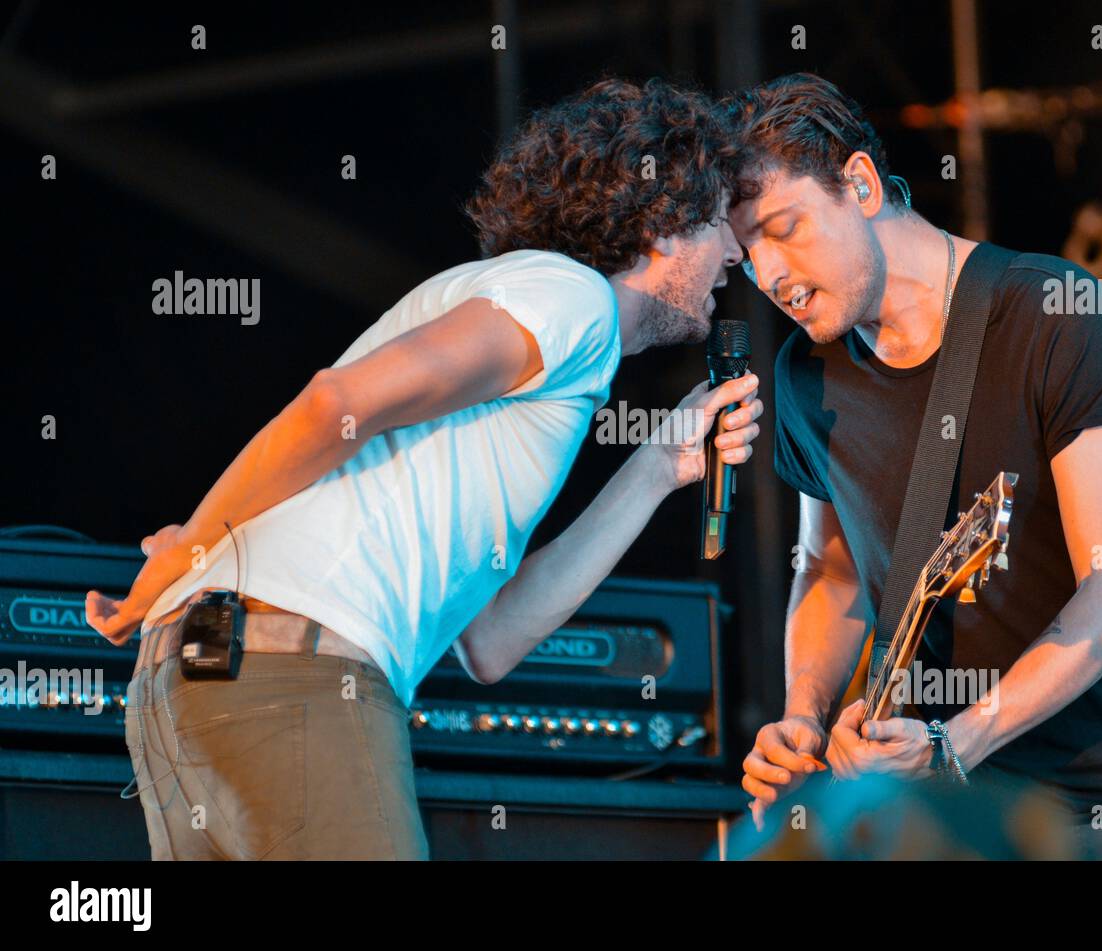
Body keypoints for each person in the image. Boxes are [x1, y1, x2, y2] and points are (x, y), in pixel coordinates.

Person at [85, 78, 762, 860]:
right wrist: (190, 547)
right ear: (663, 221)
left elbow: (489, 643)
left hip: (201, 679)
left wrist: (657, 469)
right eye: (719, 221)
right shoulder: (571, 299)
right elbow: (333, 405)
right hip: (288, 669)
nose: (738, 253)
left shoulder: (547, 334)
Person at [725, 73, 1102, 860]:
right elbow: (830, 571)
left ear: (861, 184)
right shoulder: (807, 376)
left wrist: (954, 741)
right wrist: (803, 712)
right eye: (746, 254)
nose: (770, 276)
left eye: (783, 227)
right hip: (952, 821)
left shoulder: (1054, 313)